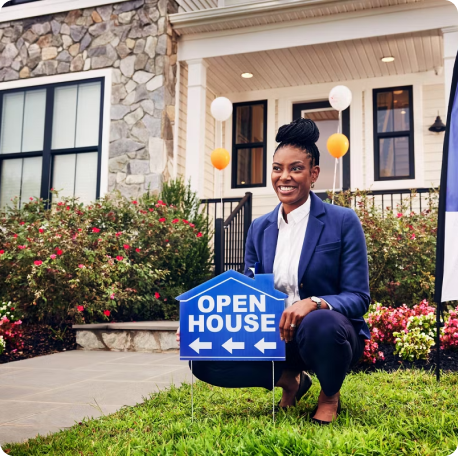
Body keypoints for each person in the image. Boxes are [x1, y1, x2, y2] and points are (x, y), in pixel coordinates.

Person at [177, 117, 370, 425]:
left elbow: (359, 297)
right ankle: (292, 381)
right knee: (203, 358)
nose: (285, 177)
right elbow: (247, 291)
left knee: (320, 323)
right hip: (274, 335)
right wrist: (200, 321)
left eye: (296, 168)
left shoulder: (343, 221)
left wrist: (314, 302)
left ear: (314, 173)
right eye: (277, 168)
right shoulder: (259, 228)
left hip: (326, 334)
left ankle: (329, 395)